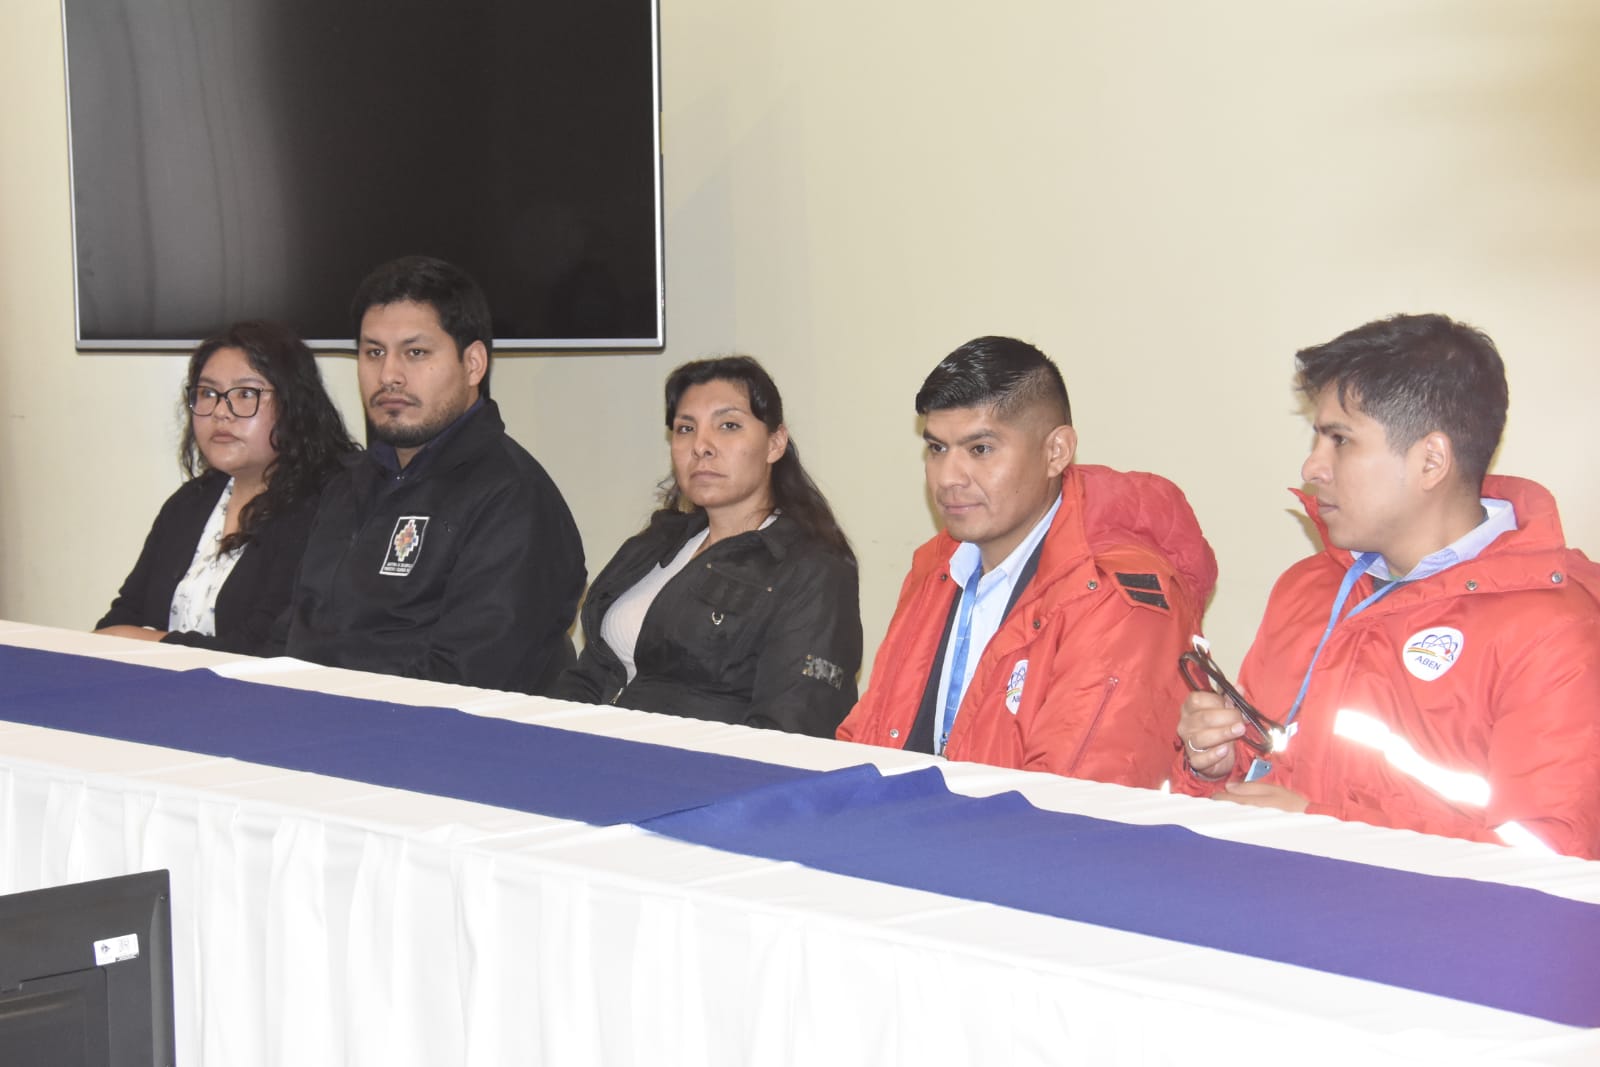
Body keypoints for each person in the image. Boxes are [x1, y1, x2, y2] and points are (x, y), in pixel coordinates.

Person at [1175, 313, 1600, 860]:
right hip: (1264, 891)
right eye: (1317, 438)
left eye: (1339, 440)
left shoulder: (1554, 630)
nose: (1312, 467)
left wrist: (1322, 830)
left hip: (1422, 916)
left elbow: (1551, 860)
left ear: (1431, 461)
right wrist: (1213, 763)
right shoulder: (1308, 588)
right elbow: (1265, 779)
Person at [837, 336, 1217, 786]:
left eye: (980, 449)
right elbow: (867, 736)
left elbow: (1073, 803)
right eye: (937, 448)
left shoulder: (1118, 598)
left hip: (1018, 829)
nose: (948, 478)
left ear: (1056, 452)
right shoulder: (939, 565)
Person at [285, 255, 585, 694]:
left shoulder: (513, 498)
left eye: (416, 353)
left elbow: (468, 679)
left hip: (436, 730)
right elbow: (296, 636)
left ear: (474, 364)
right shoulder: (346, 484)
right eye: (373, 353)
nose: (389, 375)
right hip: (315, 716)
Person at [552, 356, 862, 736]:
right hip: (589, 748)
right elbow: (589, 674)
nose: (701, 446)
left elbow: (792, 727)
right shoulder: (656, 543)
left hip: (692, 765)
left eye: (728, 425)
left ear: (775, 443)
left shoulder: (813, 568)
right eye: (686, 428)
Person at [96, 321, 356, 654]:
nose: (221, 412)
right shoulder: (190, 502)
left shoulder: (322, 509)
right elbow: (125, 614)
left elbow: (266, 648)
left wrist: (146, 641)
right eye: (207, 393)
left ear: (293, 405)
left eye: (245, 394)